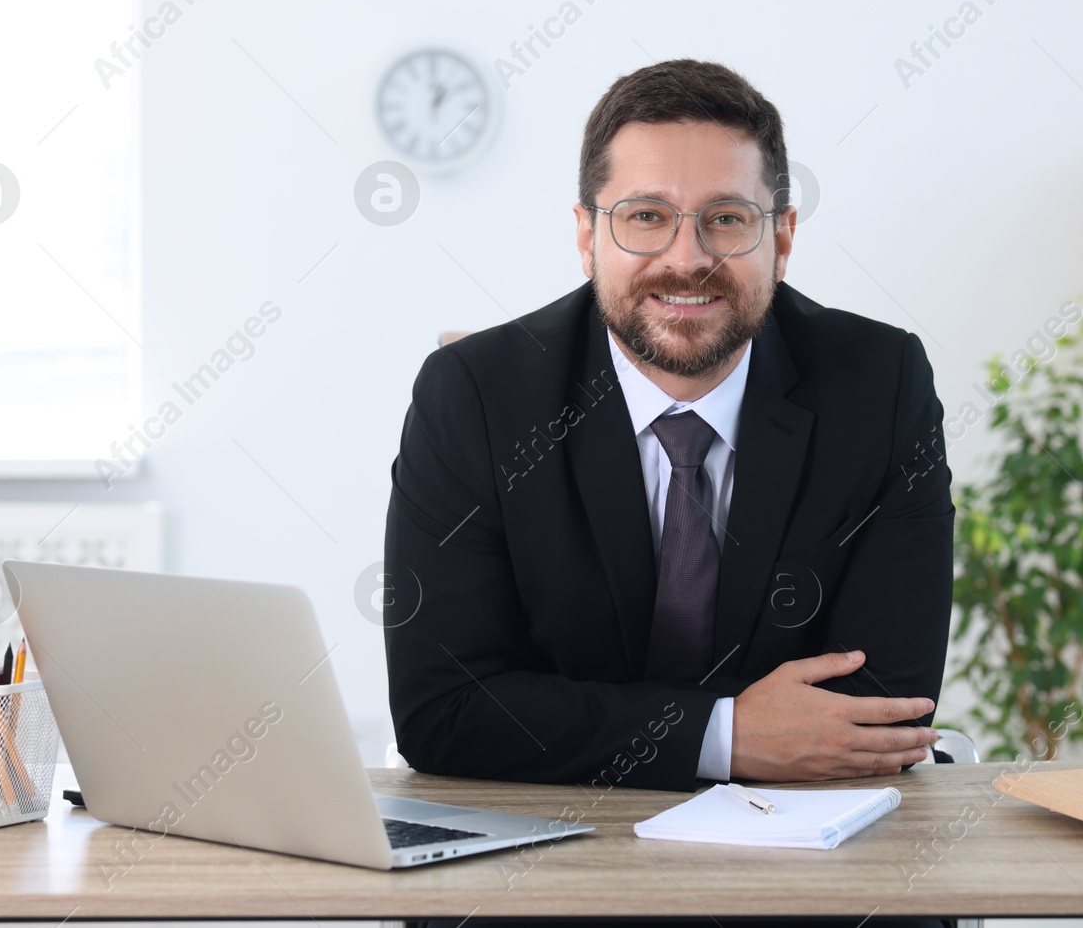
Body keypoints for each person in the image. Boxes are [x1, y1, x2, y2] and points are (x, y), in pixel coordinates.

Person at [385, 59, 954, 928]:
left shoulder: (879, 385)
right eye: (645, 217)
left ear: (783, 235)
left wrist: (576, 717)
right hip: (546, 871)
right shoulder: (477, 395)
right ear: (586, 234)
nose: (686, 259)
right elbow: (446, 709)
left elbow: (881, 710)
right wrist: (724, 732)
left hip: (806, 881)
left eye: (726, 219)